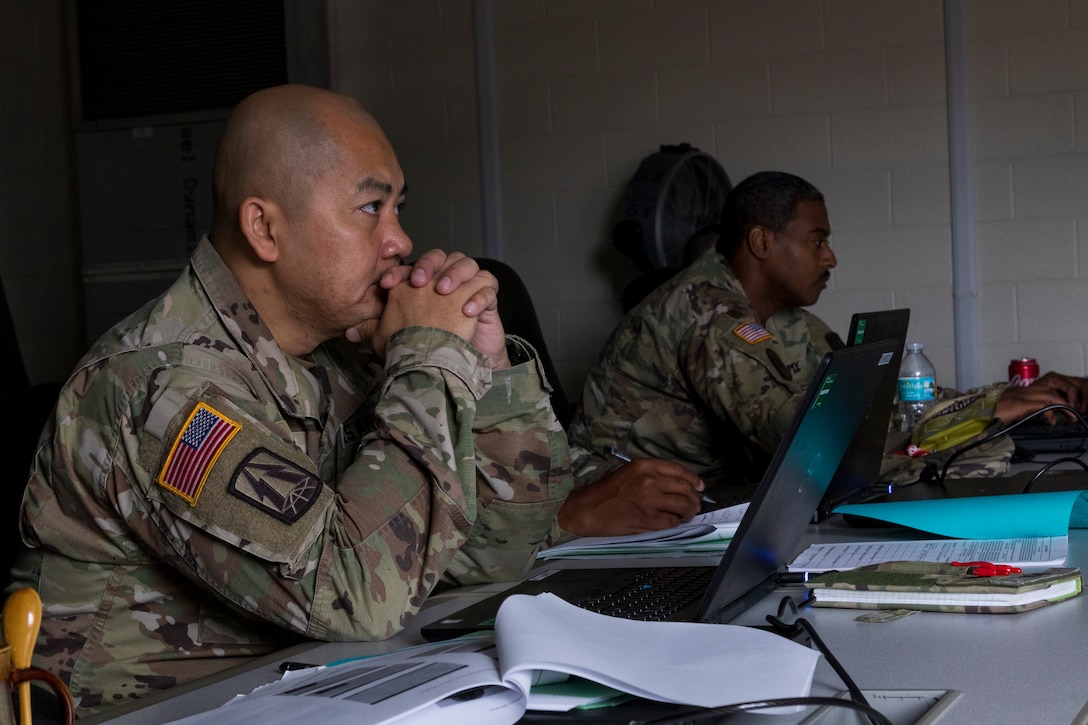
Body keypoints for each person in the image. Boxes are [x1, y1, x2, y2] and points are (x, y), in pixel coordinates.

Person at [12, 84, 578, 717]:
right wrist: (429, 361)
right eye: (370, 208)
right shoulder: (158, 388)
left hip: (295, 691)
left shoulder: (337, 357)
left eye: (398, 209)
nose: (399, 241)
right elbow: (358, 596)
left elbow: (496, 554)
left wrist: (488, 368)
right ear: (264, 228)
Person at [566, 170, 1088, 503]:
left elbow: (871, 408)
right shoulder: (707, 315)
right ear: (761, 241)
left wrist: (1000, 400)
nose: (831, 257)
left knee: (969, 461)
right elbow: (810, 442)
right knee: (940, 472)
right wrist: (979, 418)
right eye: (818, 241)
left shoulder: (790, 322)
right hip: (632, 506)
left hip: (720, 498)